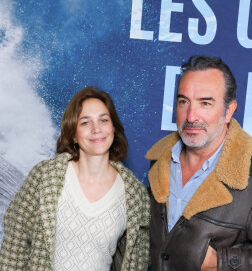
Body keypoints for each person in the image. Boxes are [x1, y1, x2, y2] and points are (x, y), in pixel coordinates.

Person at [146, 55, 252, 270]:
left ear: (229, 111)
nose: (191, 116)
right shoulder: (159, 160)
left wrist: (221, 262)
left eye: (205, 103)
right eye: (184, 101)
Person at [0, 86, 150, 271]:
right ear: (73, 134)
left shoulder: (135, 194)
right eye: (85, 123)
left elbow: (137, 262)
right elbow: (15, 241)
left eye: (103, 120)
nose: (96, 129)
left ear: (113, 128)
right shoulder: (44, 177)